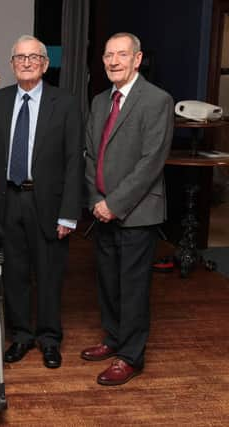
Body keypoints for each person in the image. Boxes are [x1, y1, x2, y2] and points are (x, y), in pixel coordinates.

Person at [0, 35, 84, 369]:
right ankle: (21, 336)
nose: (27, 62)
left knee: (48, 273)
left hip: (48, 203)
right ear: (12, 64)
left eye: (34, 57)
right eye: (20, 57)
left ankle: (48, 338)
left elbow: (75, 161)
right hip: (8, 200)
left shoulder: (66, 103)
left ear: (44, 64)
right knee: (13, 272)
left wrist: (70, 214)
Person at [82, 32, 173, 386]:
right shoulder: (100, 100)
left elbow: (152, 162)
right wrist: (95, 201)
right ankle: (114, 338)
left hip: (135, 212)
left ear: (137, 59)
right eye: (108, 55)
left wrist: (114, 204)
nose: (113, 61)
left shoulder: (157, 100)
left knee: (132, 285)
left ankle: (130, 356)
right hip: (101, 208)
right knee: (107, 281)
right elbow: (91, 155)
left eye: (121, 54)